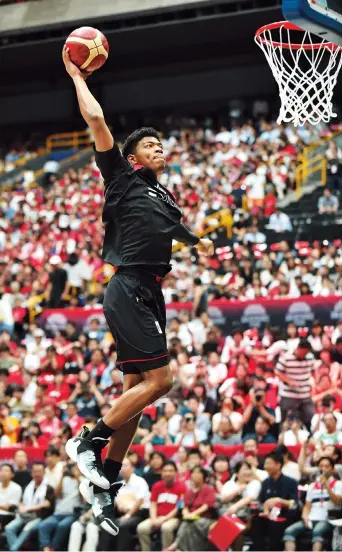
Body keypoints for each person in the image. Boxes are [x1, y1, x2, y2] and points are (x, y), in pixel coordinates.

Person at [62, 46, 214, 535]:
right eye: (152, 146)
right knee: (162, 381)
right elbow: (97, 119)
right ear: (131, 157)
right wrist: (77, 77)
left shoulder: (165, 198)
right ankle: (89, 440)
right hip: (127, 285)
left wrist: (201, 244)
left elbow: (182, 233)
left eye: (162, 146)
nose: (160, 149)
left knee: (137, 392)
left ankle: (105, 481)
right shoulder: (122, 179)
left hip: (151, 291)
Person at [283, 457, 342, 551]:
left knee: (318, 531)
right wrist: (305, 517)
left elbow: (337, 501)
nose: (323, 469)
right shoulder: (312, 486)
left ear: (333, 469)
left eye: (327, 466)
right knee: (289, 531)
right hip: (311, 518)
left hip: (328, 520)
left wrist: (327, 486)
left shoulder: (338, 484)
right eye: (321, 466)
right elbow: (307, 506)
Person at [92, 457, 150, 551]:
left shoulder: (139, 481)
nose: (122, 469)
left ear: (132, 468)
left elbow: (139, 502)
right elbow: (116, 501)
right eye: (121, 466)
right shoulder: (120, 484)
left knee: (123, 525)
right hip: (121, 513)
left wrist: (128, 515)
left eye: (125, 466)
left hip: (138, 514)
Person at [250, 451, 298, 551]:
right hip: (269, 516)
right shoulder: (265, 482)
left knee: (275, 525)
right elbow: (261, 502)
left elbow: (295, 505)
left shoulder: (291, 482)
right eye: (265, 463)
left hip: (285, 516)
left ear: (278, 465)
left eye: (268, 463)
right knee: (255, 521)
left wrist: (280, 501)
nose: (265, 466)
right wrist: (264, 511)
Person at [137, 460, 186, 551]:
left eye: (170, 471)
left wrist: (164, 519)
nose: (167, 473)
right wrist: (153, 518)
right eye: (165, 471)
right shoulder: (157, 486)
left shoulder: (182, 487)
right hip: (157, 517)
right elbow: (153, 504)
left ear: (175, 472)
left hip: (173, 518)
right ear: (161, 473)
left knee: (166, 528)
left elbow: (178, 507)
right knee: (142, 528)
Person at [5, 463, 55, 552]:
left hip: (39, 516)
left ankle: (13, 549)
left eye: (39, 471)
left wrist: (29, 508)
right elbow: (21, 502)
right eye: (35, 471)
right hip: (24, 515)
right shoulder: (28, 487)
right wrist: (21, 507)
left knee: (27, 528)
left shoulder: (48, 488)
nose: (37, 474)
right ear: (31, 473)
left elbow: (46, 504)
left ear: (44, 472)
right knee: (9, 528)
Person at [167, 466, 216, 552]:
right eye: (193, 473)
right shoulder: (189, 491)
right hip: (191, 519)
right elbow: (184, 506)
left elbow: (206, 506)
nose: (195, 475)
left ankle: (176, 545)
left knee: (190, 523)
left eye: (198, 473)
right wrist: (186, 514)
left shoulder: (209, 489)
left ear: (204, 476)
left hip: (206, 520)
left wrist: (193, 514)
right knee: (188, 522)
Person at [37, 462, 82, 552]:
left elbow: (84, 499)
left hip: (72, 514)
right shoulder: (64, 479)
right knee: (43, 525)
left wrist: (78, 478)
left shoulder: (83, 481)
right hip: (58, 513)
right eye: (71, 467)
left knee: (62, 526)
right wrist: (62, 476)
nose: (72, 469)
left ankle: (53, 548)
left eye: (75, 467)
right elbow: (56, 495)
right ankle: (46, 548)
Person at [275, 339, 317, 429]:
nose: (304, 355)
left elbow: (313, 371)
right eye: (303, 353)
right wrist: (289, 381)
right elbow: (277, 372)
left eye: (306, 353)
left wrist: (311, 382)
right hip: (288, 394)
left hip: (305, 394)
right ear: (298, 348)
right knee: (286, 421)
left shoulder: (310, 357)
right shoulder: (286, 357)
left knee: (311, 417)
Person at [220, 461, 262, 550]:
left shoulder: (254, 483)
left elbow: (250, 498)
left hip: (247, 518)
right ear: (237, 473)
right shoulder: (229, 484)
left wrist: (235, 506)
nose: (248, 472)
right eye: (245, 469)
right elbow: (223, 499)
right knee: (219, 530)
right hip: (228, 517)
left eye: (249, 469)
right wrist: (238, 490)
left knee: (236, 531)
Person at [0, 464, 22, 528]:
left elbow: (11, 508)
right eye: (1, 470)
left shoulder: (16, 488)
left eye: (6, 471)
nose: (3, 473)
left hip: (8, 515)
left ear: (12, 475)